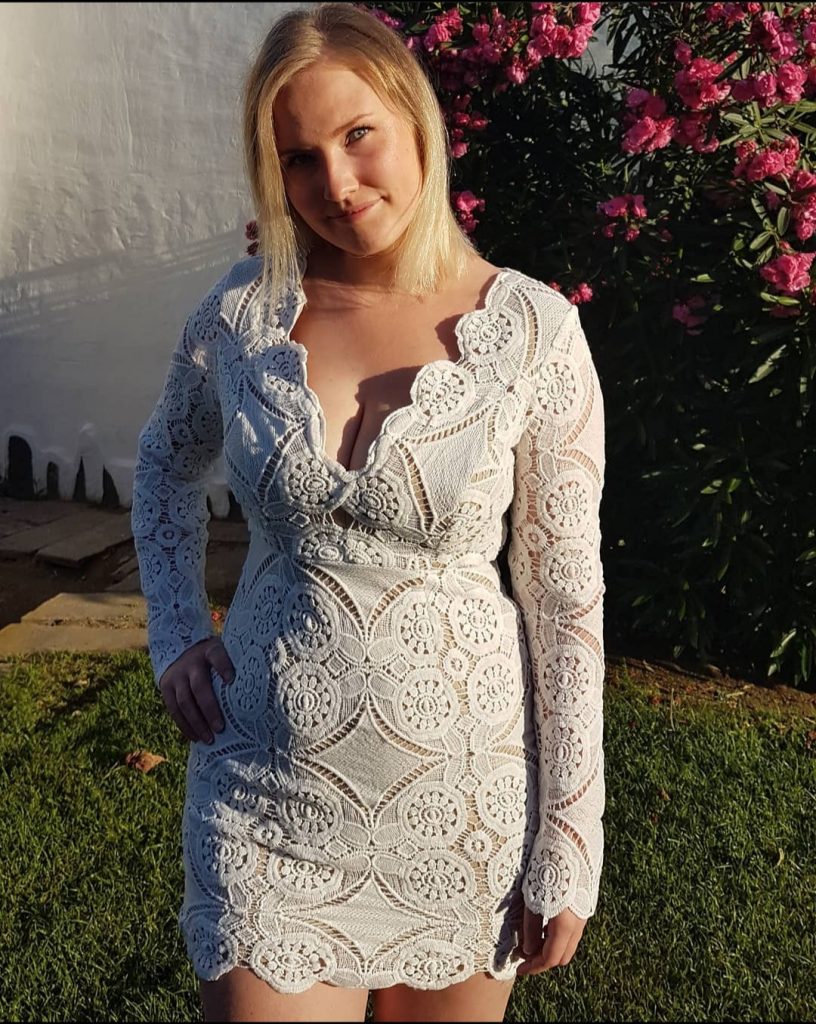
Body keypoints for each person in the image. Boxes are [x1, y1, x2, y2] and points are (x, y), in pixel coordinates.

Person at [130, 4, 606, 1022]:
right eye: (299, 158)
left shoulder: (533, 331)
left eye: (358, 136)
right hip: (265, 799)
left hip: (464, 806)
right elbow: (164, 464)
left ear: (415, 118)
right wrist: (174, 628)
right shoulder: (242, 315)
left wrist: (571, 832)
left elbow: (565, 602)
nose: (337, 184)